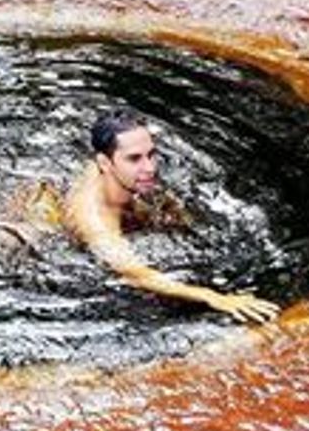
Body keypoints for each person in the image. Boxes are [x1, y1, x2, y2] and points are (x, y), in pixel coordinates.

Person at [64, 111, 279, 324]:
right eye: (134, 159)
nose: (149, 168)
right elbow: (137, 275)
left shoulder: (123, 177)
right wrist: (214, 297)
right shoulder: (96, 221)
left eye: (151, 155)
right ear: (105, 163)